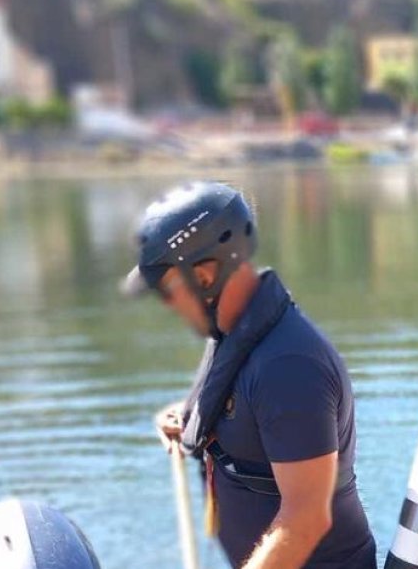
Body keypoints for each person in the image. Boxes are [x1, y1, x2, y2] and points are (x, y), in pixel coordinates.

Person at [122, 181, 376, 569]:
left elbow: (306, 520)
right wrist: (187, 416)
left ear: (204, 276)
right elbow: (248, 413)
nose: (167, 304)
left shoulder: (289, 368)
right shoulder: (235, 333)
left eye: (167, 289)